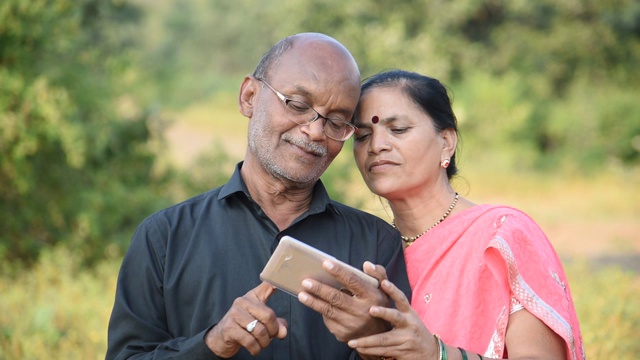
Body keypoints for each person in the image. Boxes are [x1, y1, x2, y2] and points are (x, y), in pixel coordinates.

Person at [105, 34, 411, 360]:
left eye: (337, 121)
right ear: (249, 96)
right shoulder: (164, 238)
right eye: (297, 104)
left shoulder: (376, 245)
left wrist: (374, 342)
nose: (315, 131)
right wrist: (211, 344)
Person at [346, 69, 585, 360]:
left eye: (398, 130)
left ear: (446, 141)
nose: (376, 146)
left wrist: (437, 355)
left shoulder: (502, 235)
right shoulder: (369, 251)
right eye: (362, 135)